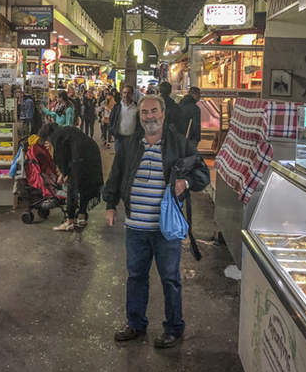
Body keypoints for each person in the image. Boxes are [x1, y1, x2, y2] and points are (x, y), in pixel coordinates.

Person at [103, 95, 210, 348]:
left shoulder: (179, 144)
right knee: (136, 276)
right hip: (135, 228)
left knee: (170, 278)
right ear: (139, 117)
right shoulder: (130, 145)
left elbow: (203, 173)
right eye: (144, 113)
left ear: (163, 114)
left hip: (166, 229)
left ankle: (174, 327)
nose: (149, 116)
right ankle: (136, 323)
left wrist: (187, 182)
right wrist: (110, 205)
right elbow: (116, 175)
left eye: (154, 111)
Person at [39, 123, 103, 231]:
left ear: (47, 136)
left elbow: (61, 157)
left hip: (80, 158)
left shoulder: (56, 136)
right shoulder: (67, 131)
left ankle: (69, 222)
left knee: (72, 189)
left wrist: (63, 174)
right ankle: (82, 216)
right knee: (84, 186)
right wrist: (66, 173)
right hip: (93, 153)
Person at [109, 85, 139, 153]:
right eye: (124, 93)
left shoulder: (137, 107)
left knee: (131, 160)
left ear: (132, 94)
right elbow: (111, 120)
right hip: (119, 139)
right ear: (122, 94)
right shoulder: (117, 107)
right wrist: (113, 132)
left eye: (128, 93)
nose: (126, 95)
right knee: (119, 160)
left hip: (132, 140)